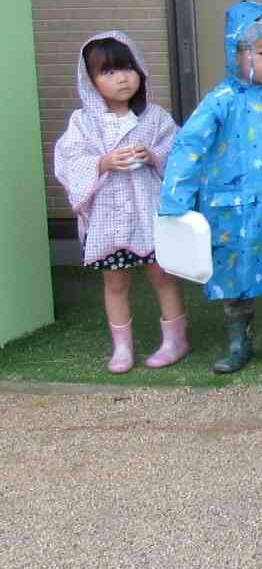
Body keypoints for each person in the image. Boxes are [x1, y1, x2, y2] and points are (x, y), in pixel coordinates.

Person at [157, 0, 262, 373]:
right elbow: (189, 145)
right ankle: (238, 343)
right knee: (235, 276)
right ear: (237, 53)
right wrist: (175, 200)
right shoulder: (221, 100)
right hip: (234, 210)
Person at [54, 31, 185, 373]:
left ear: (140, 70)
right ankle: (122, 347)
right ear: (91, 81)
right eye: (108, 72)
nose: (121, 78)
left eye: (127, 68)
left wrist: (154, 155)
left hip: (150, 209)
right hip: (109, 215)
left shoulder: (154, 117)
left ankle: (175, 339)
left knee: (163, 273)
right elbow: (69, 159)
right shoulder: (83, 123)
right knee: (115, 281)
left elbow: (178, 150)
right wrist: (102, 162)